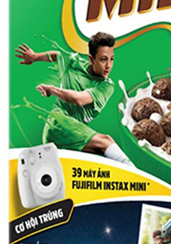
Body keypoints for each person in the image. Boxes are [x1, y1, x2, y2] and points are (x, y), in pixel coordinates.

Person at [14, 32, 130, 164]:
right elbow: (58, 56)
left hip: (72, 135)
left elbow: (80, 99)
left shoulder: (106, 86)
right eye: (103, 60)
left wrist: (52, 89)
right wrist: (35, 57)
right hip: (58, 124)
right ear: (91, 59)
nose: (108, 65)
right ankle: (134, 172)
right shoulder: (74, 63)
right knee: (105, 142)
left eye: (111, 59)